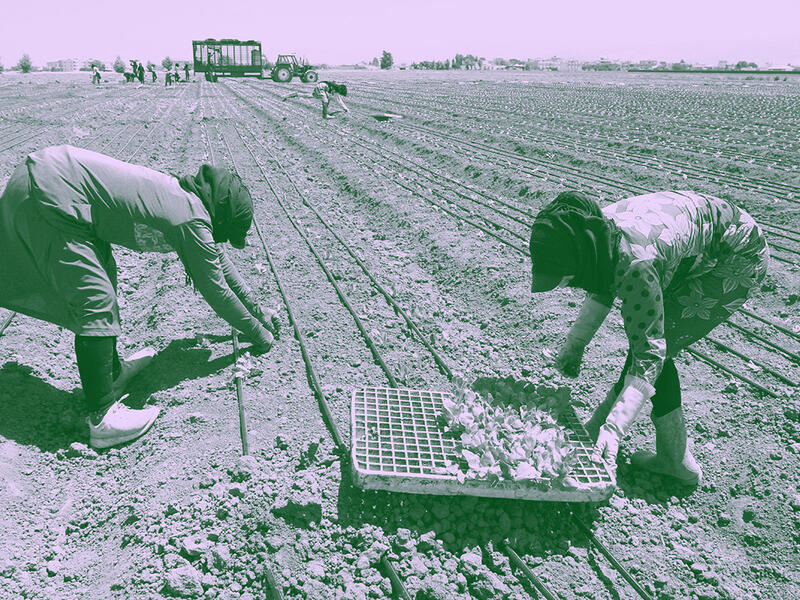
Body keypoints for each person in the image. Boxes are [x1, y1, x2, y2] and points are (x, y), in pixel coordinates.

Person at [0, 145, 280, 449]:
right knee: (95, 298)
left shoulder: (188, 202)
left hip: (51, 182)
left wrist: (258, 310)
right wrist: (259, 334)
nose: (222, 239)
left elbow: (219, 263)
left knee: (104, 275)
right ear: (221, 217)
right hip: (48, 194)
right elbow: (217, 289)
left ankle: (113, 374)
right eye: (226, 232)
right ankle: (102, 415)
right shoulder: (190, 219)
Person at [529, 191, 769, 486]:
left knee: (660, 342)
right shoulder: (596, 232)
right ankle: (598, 427)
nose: (567, 286)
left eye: (566, 279)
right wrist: (575, 345)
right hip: (694, 242)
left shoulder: (635, 264)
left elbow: (650, 352)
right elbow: (605, 279)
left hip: (736, 258)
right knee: (648, 334)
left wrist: (615, 426)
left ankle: (676, 462)